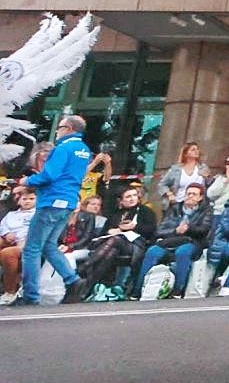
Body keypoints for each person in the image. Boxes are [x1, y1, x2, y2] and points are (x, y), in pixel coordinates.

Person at [17, 115, 93, 306]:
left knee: (32, 249)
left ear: (68, 128)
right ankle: (73, 280)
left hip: (52, 201)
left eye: (59, 127)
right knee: (49, 246)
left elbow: (49, 175)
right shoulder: (84, 150)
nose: (57, 132)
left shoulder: (63, 148)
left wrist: (27, 181)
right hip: (68, 202)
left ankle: (30, 296)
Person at [78, 183, 158, 295]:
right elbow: (103, 233)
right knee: (110, 253)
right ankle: (88, 288)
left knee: (115, 240)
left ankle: (85, 266)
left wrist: (134, 227)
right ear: (121, 200)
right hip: (114, 246)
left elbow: (152, 230)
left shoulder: (145, 211)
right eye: (128, 197)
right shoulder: (115, 214)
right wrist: (110, 231)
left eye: (134, 195)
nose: (132, 199)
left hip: (136, 245)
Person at [137, 182, 213, 297]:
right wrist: (176, 231)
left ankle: (177, 290)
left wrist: (188, 228)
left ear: (200, 197)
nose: (190, 196)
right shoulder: (175, 208)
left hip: (192, 241)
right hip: (171, 240)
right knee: (152, 252)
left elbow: (204, 229)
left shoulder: (206, 210)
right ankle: (138, 290)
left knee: (182, 252)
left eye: (194, 194)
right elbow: (160, 230)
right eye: (188, 193)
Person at [0, 187, 36, 304]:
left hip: (28, 243)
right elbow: (3, 226)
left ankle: (10, 291)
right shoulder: (11, 215)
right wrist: (7, 234)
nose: (27, 201)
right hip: (10, 239)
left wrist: (25, 240)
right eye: (24, 199)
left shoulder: (38, 214)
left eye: (31, 199)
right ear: (19, 201)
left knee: (7, 253)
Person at [157, 142, 210, 210]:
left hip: (197, 206)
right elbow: (162, 184)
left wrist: (207, 177)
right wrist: (169, 194)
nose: (197, 151)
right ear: (185, 154)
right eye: (193, 150)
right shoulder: (176, 169)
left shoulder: (203, 167)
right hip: (178, 204)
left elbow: (209, 185)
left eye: (197, 149)